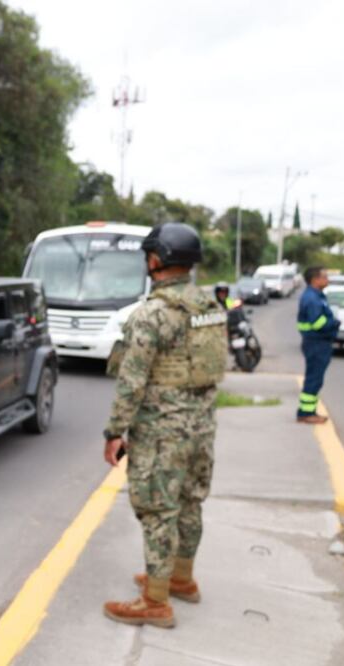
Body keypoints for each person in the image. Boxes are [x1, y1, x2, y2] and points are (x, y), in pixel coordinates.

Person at [102, 222, 227, 629]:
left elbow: (132, 381)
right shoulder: (210, 307)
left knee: (158, 510)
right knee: (191, 503)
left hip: (161, 433)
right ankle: (181, 579)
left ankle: (155, 601)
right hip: (202, 428)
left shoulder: (152, 314)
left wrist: (114, 433)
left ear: (155, 260)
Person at [296, 266, 340, 424]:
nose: (327, 279)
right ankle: (306, 413)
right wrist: (334, 323)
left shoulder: (316, 296)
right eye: (325, 277)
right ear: (315, 279)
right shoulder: (312, 298)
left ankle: (309, 411)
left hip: (318, 343)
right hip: (316, 343)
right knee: (314, 379)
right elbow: (318, 323)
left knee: (315, 378)